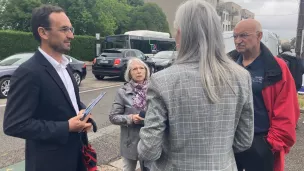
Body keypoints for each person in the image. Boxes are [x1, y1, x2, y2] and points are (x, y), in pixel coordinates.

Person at [137, 0, 254, 170]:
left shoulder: (162, 81)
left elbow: (149, 151)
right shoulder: (242, 76)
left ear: (180, 34)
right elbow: (244, 141)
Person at [3, 5, 93, 171]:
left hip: (77, 156)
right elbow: (14, 124)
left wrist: (83, 113)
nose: (71, 35)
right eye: (64, 29)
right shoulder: (28, 72)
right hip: (49, 164)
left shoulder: (66, 67)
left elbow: (70, 103)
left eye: (71, 29)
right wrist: (66, 127)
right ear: (43, 33)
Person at [229, 19, 300, 171]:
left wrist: (269, 145)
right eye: (235, 36)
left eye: (243, 36)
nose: (238, 41)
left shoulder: (275, 67)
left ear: (259, 36)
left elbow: (287, 109)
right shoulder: (229, 64)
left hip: (260, 143)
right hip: (230, 145)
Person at [109, 58, 150, 171]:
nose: (138, 71)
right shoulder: (122, 92)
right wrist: (131, 118)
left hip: (150, 140)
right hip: (130, 141)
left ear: (146, 71)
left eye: (141, 68)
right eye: (134, 69)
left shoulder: (154, 90)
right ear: (129, 73)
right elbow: (113, 117)